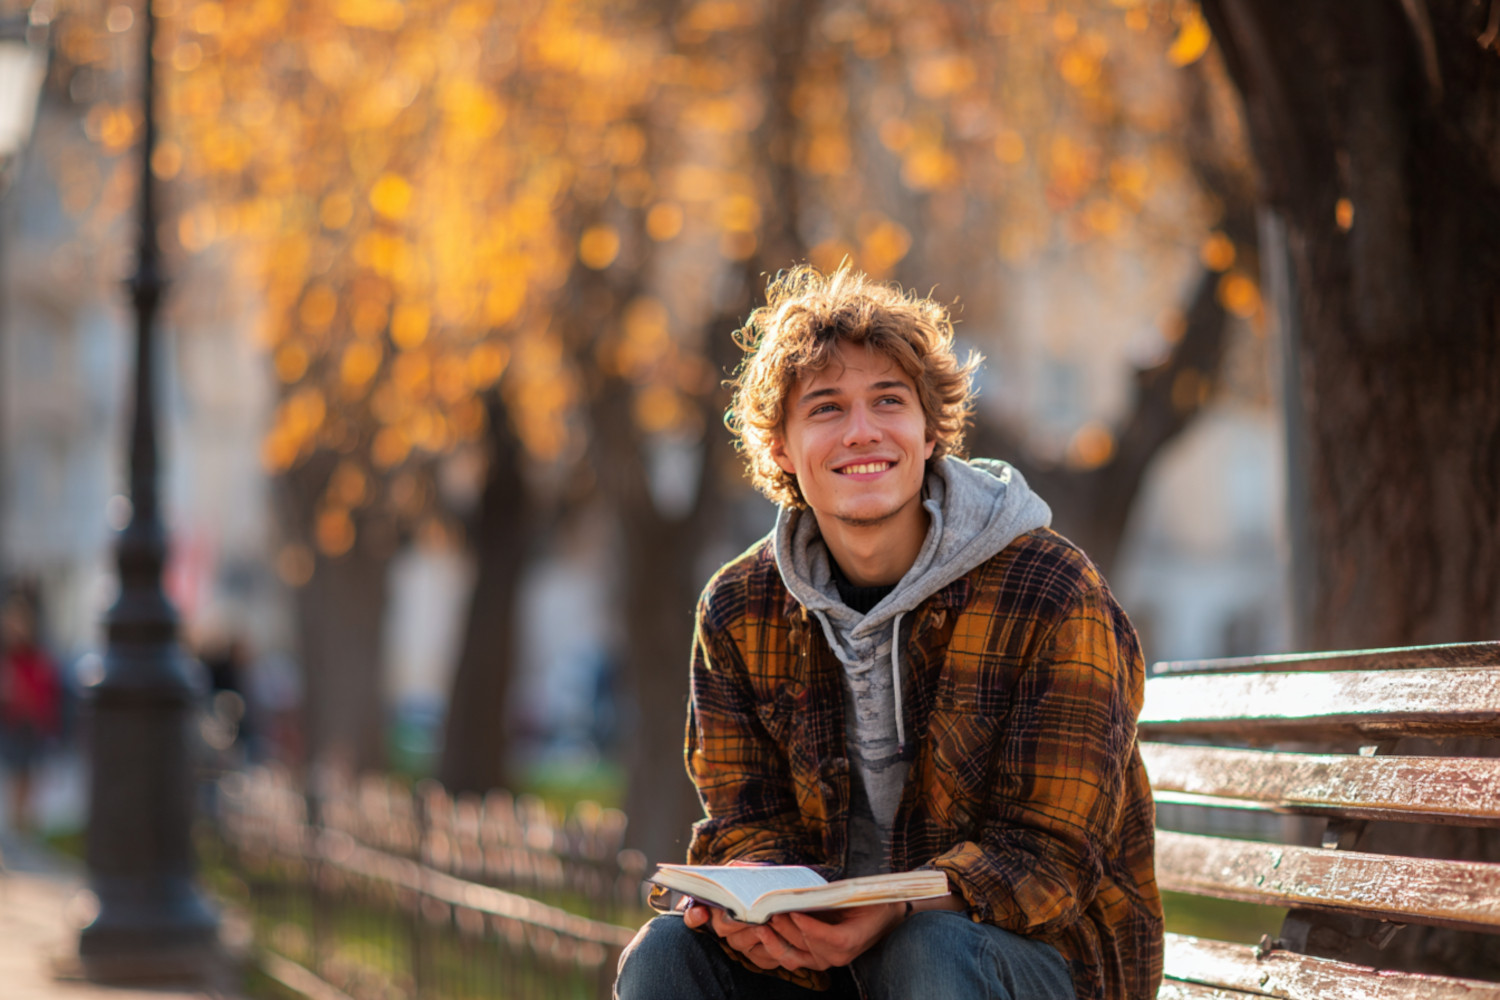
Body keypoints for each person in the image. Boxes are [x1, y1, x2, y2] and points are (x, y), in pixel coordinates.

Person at [614, 266, 1162, 1000]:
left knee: (926, 952)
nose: (862, 431)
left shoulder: (1052, 591)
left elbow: (1050, 861)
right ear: (780, 447)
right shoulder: (740, 609)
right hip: (827, 963)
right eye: (827, 408)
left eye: (888, 401)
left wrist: (897, 905)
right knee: (663, 955)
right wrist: (754, 902)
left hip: (1038, 961)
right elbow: (749, 819)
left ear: (931, 430)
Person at [0, 599, 61, 834]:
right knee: (17, 779)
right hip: (14, 723)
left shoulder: (38, 656)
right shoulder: (8, 657)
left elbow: (47, 691)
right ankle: (16, 831)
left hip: (34, 724)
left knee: (31, 781)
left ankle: (24, 831)